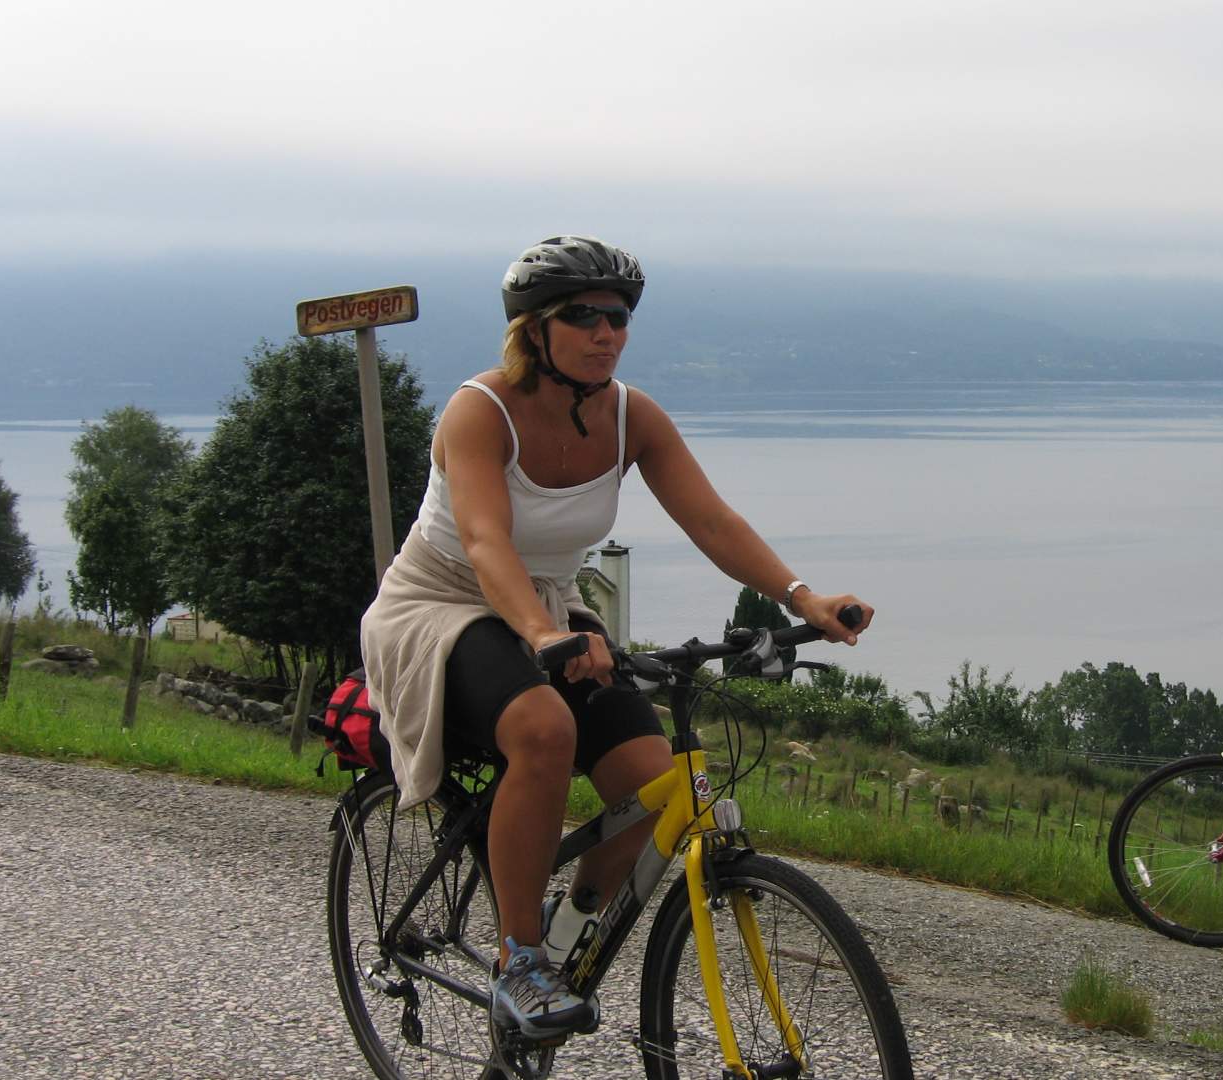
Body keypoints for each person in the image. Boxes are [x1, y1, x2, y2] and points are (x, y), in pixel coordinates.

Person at [359, 235, 872, 1040]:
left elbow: (711, 519)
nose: (608, 332)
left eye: (620, 317)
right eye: (585, 317)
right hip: (442, 605)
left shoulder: (632, 416)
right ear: (535, 330)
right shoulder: (478, 411)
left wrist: (804, 599)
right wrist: (536, 630)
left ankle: (565, 933)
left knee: (649, 790)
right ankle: (519, 959)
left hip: (550, 613)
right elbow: (488, 542)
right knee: (543, 727)